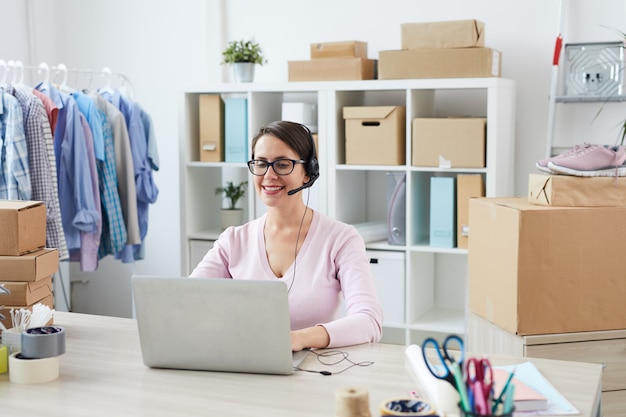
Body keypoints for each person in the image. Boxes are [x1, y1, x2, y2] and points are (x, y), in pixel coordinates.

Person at [190, 120, 383, 351]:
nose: (269, 175)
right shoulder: (233, 241)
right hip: (244, 364)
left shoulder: (341, 239)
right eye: (261, 164)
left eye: (282, 164)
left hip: (314, 371)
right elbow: (189, 301)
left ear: (307, 173)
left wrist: (300, 339)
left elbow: (369, 321)